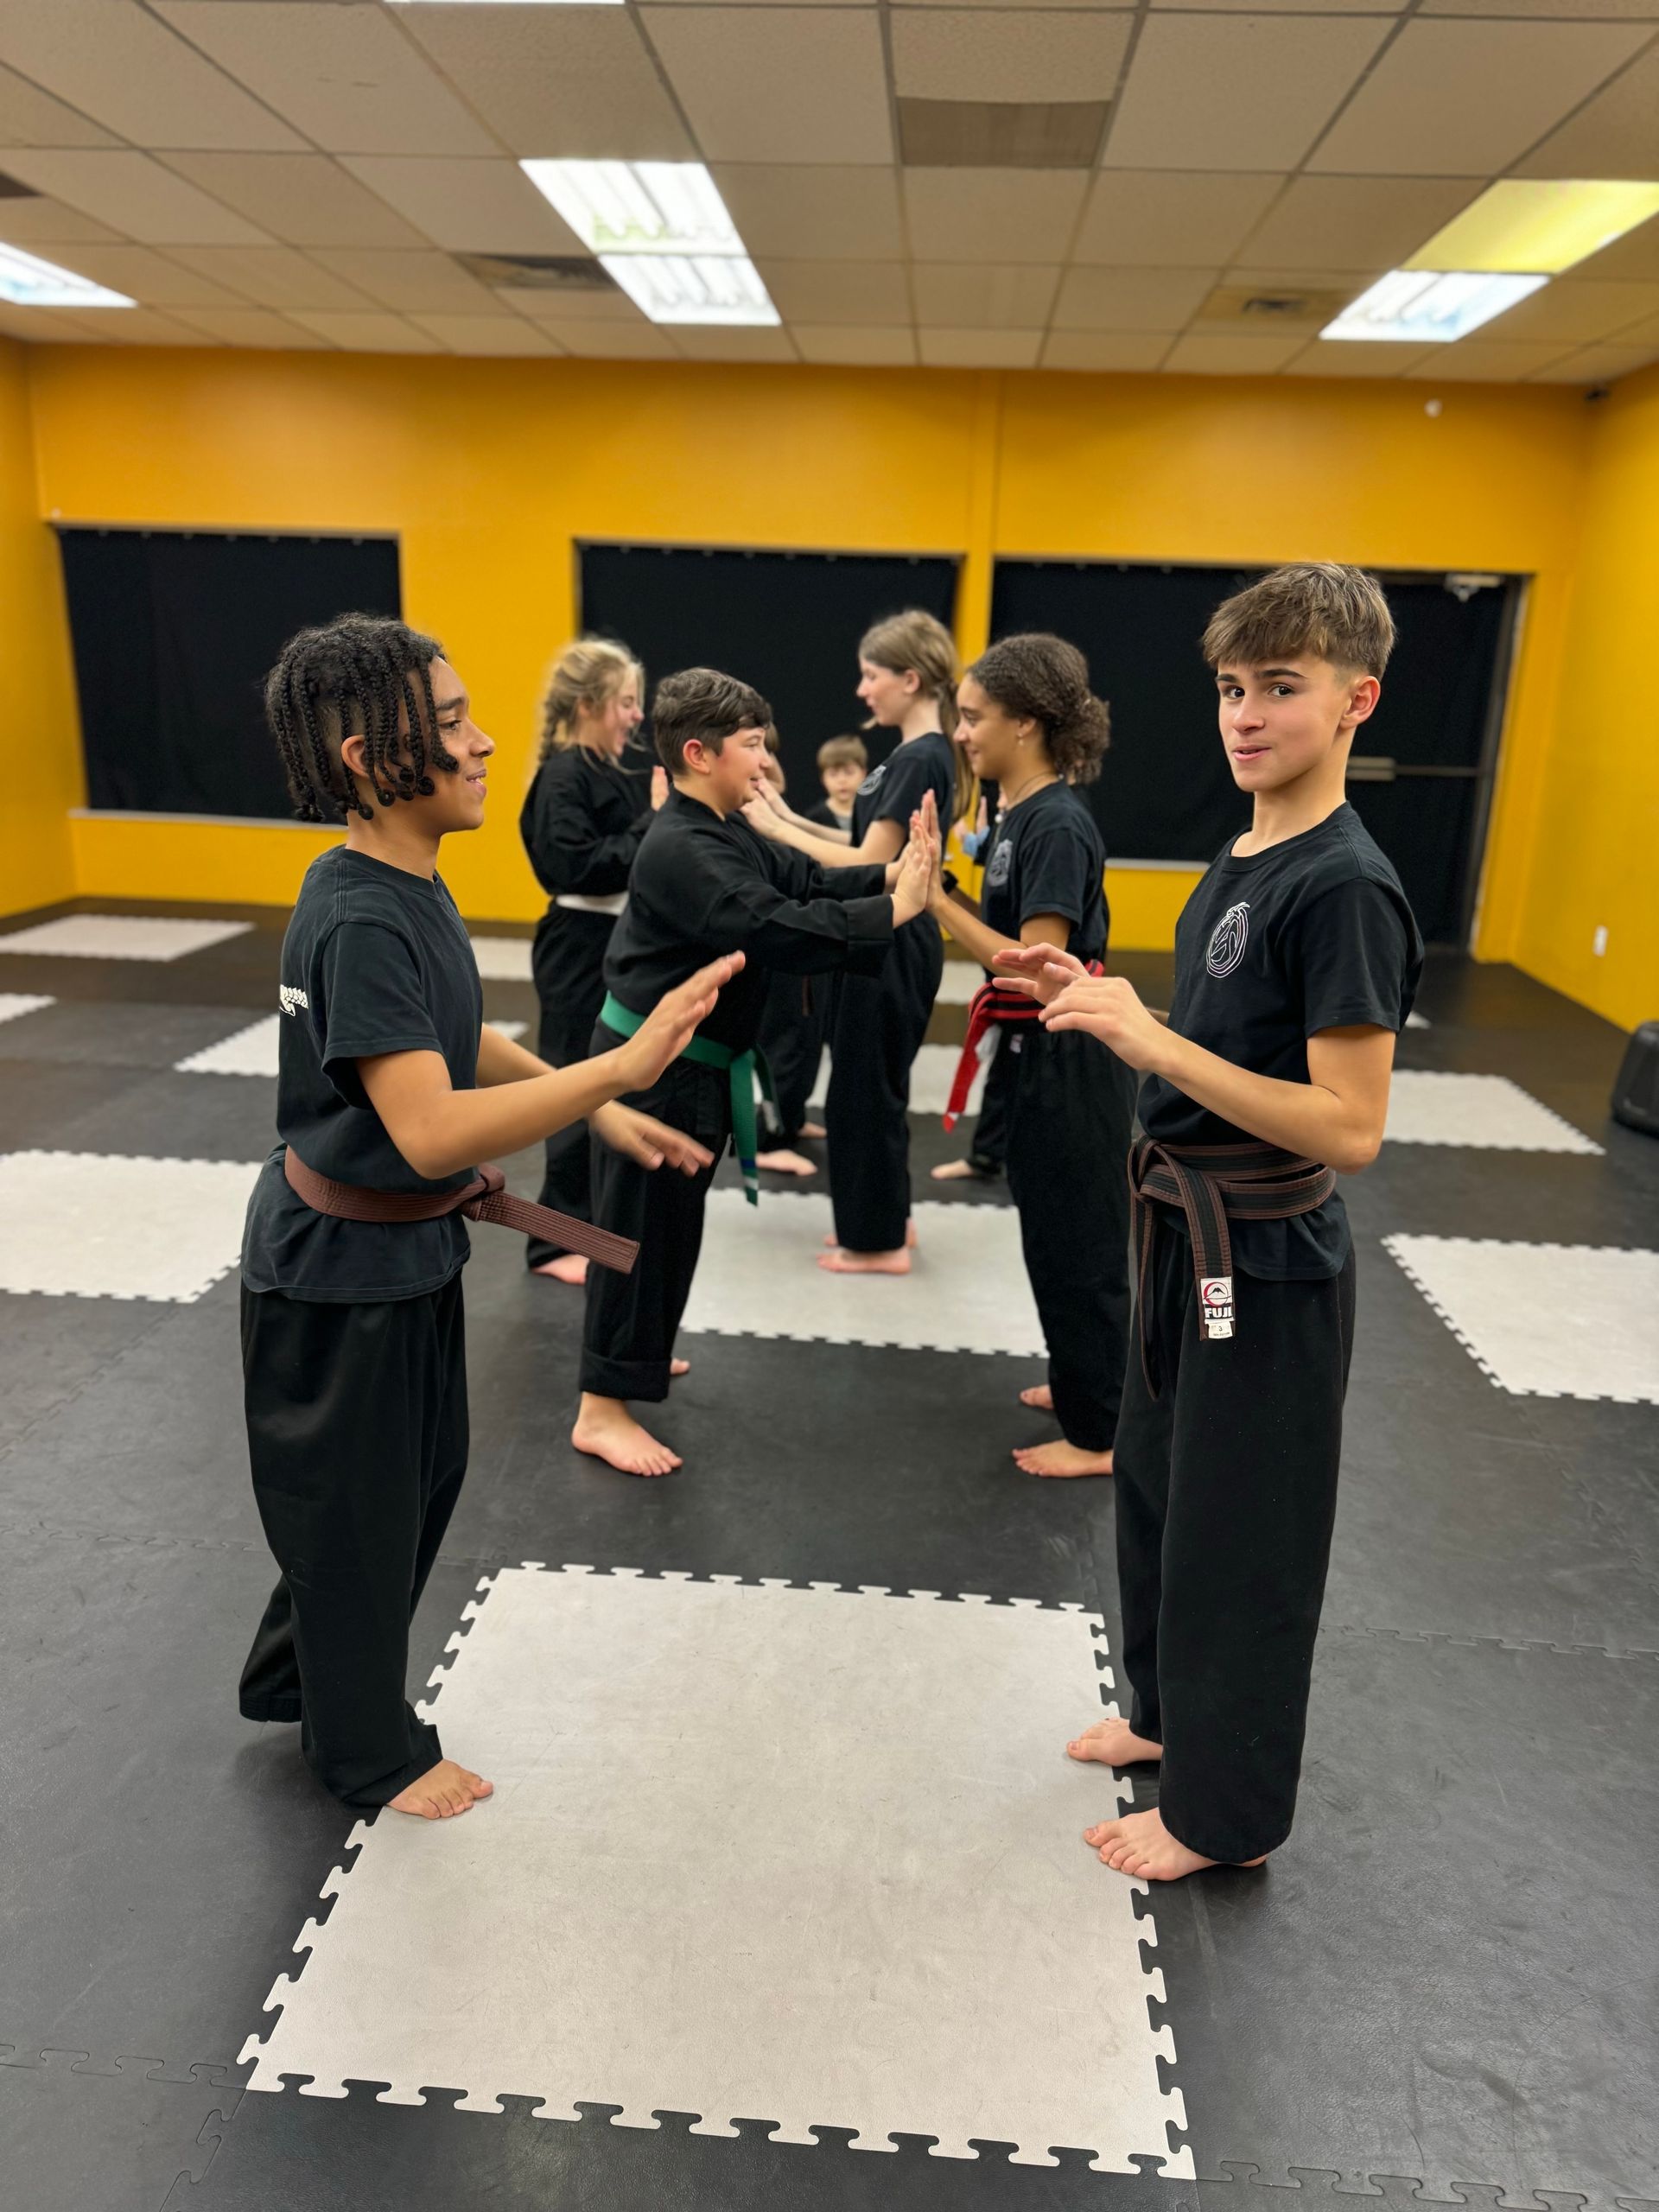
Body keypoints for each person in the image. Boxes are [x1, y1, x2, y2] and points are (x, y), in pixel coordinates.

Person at [239, 614, 734, 1821]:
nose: (484, 741)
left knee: (410, 1489)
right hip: (337, 1268)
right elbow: (426, 1131)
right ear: (370, 759)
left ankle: (301, 1679)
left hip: (396, 1252)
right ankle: (366, 1752)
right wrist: (619, 1070)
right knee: (361, 1516)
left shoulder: (399, 881)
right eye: (453, 722)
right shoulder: (359, 913)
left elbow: (450, 1037)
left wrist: (599, 1111)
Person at [997, 563, 1424, 1881]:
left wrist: (1152, 1045)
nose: (1245, 715)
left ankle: (1221, 1818)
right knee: (1156, 1487)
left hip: (1267, 1257)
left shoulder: (1344, 886)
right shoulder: (1243, 855)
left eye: (1281, 688)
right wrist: (1109, 1000)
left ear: (1356, 701)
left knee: (1243, 1535)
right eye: (1233, 689)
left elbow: (1350, 1124)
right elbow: (1232, 1040)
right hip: (1183, 1235)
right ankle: (1165, 1717)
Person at [574, 666, 937, 1478]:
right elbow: (772, 924)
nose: (766, 760)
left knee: (671, 1232)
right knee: (634, 1235)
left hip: (692, 1068)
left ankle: (636, 1356)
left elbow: (801, 878)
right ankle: (600, 1407)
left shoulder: (722, 828)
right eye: (751, 745)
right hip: (652, 1074)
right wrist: (896, 911)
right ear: (698, 754)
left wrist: (893, 875)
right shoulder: (682, 847)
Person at [923, 634, 1135, 1478]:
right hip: (1035, 1050)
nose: (961, 733)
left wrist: (936, 901)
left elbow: (1036, 968)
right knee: (1049, 1236)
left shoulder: (1056, 823)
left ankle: (1102, 1432)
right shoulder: (1021, 814)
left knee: (1080, 1243)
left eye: (974, 717)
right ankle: (1085, 1379)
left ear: (1026, 723)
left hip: (1072, 1055)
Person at [743, 610, 968, 1275]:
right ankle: (889, 1218)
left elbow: (870, 862)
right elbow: (863, 844)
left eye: (872, 676)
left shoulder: (922, 755)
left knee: (864, 1092)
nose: (863, 690)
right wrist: (785, 814)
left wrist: (775, 830)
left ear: (910, 678)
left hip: (891, 936)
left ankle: (875, 1243)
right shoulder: (909, 754)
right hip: (886, 931)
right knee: (874, 1085)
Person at [518, 637, 666, 1285]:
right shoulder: (563, 776)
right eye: (626, 702)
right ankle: (552, 1245)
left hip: (617, 941)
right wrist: (651, 822)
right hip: (578, 945)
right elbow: (576, 866)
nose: (636, 716)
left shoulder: (608, 770)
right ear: (588, 705)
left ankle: (597, 1226)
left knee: (611, 1084)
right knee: (572, 1089)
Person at [753, 737, 825, 1179]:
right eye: (757, 748)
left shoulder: (770, 799)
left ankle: (792, 1119)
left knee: (805, 1037)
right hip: (775, 940)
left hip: (799, 937)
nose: (767, 762)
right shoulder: (749, 807)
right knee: (781, 1042)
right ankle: (769, 1139)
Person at [807, 734, 867, 837]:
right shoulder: (814, 819)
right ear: (823, 778)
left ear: (863, 774)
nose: (842, 780)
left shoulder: (876, 814)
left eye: (849, 772)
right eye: (833, 774)